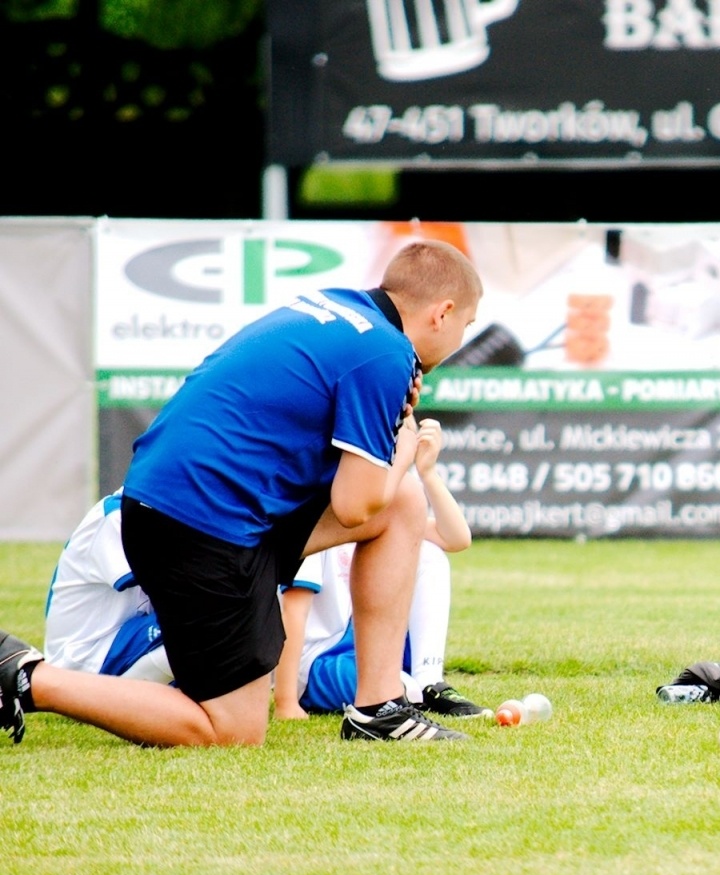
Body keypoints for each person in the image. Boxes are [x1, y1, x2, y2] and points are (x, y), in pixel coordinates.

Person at [0, 239, 481, 747]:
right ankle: (24, 673)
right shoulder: (387, 351)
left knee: (403, 500)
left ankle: (378, 708)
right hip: (198, 526)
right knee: (233, 731)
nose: (460, 342)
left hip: (196, 511)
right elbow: (355, 505)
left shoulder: (338, 306)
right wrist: (403, 446)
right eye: (465, 327)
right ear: (442, 313)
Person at [274, 417, 487, 720]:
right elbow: (293, 612)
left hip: (360, 645)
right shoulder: (319, 508)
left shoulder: (384, 515)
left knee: (428, 554)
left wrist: (427, 473)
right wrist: (285, 702)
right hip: (318, 661)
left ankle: (431, 680)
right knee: (404, 690)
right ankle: (412, 687)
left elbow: (456, 538)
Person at [43, 490, 173, 686]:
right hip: (86, 661)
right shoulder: (117, 515)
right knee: (212, 620)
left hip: (120, 644)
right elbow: (184, 589)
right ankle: (125, 697)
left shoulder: (166, 511)